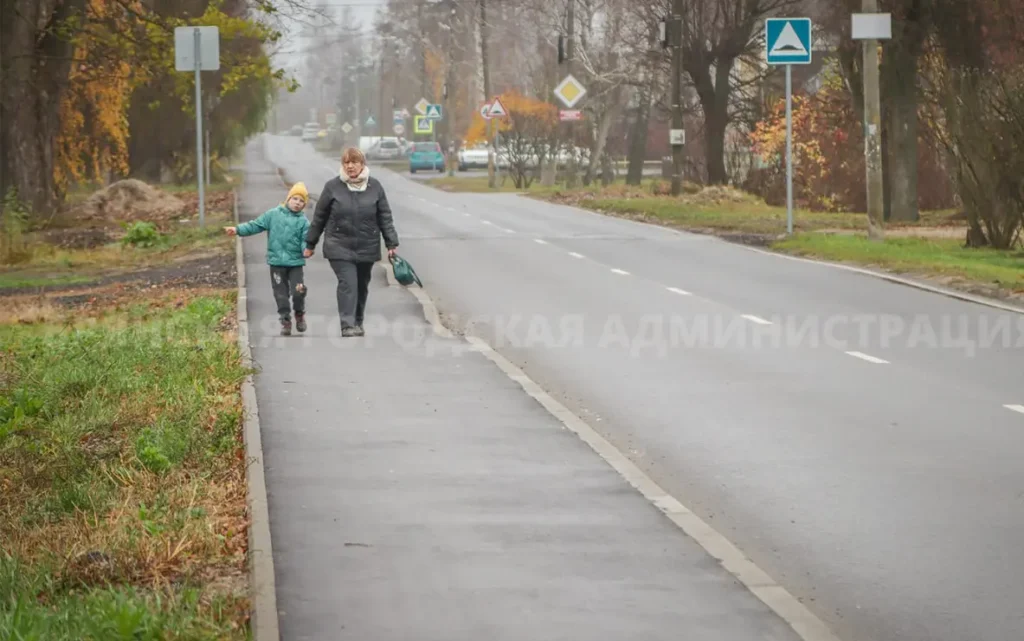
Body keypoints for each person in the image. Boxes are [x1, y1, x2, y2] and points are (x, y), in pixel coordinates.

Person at [305, 147, 399, 337]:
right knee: (348, 283)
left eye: (354, 162)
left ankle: (357, 321)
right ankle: (347, 325)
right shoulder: (333, 187)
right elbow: (319, 217)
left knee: (362, 285)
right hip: (339, 245)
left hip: (367, 245)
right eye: (346, 162)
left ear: (362, 164)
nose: (350, 166)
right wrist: (310, 243)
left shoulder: (375, 187)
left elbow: (385, 217)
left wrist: (391, 244)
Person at [226, 182, 311, 336]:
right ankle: (285, 321)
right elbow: (255, 225)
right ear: (288, 198)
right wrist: (237, 230)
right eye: (295, 199)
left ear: (304, 205)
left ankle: (299, 314)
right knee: (281, 294)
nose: (297, 203)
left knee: (298, 291)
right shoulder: (273, 215)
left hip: (295, 263)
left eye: (301, 201)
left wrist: (306, 249)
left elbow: (306, 239)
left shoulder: (303, 222)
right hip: (276, 263)